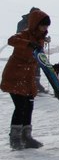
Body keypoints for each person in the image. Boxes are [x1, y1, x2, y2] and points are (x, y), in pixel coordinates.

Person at [2, 9, 51, 149]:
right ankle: (15, 138)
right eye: (43, 26)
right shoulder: (24, 34)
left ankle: (26, 136)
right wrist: (28, 43)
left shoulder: (40, 38)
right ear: (36, 24)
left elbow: (38, 57)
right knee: (20, 106)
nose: (45, 29)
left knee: (29, 105)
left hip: (28, 76)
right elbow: (12, 40)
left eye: (46, 26)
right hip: (15, 74)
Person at [16, 7, 48, 94]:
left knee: (37, 66)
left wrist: (44, 38)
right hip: (26, 49)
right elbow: (20, 36)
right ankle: (26, 86)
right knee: (27, 67)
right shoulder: (23, 23)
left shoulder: (37, 22)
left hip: (36, 49)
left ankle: (36, 84)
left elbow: (39, 34)